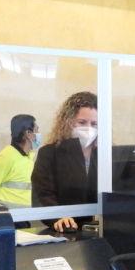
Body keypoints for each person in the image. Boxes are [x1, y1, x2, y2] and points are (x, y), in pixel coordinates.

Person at [31, 92, 98, 232]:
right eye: (82, 122)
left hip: (101, 229)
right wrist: (57, 217)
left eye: (94, 124)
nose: (89, 128)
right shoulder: (49, 153)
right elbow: (43, 193)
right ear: (68, 122)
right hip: (66, 230)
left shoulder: (104, 155)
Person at [0, 114, 39, 208]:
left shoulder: (28, 157)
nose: (39, 134)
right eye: (37, 130)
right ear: (28, 134)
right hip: (10, 219)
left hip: (24, 218)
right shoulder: (6, 157)